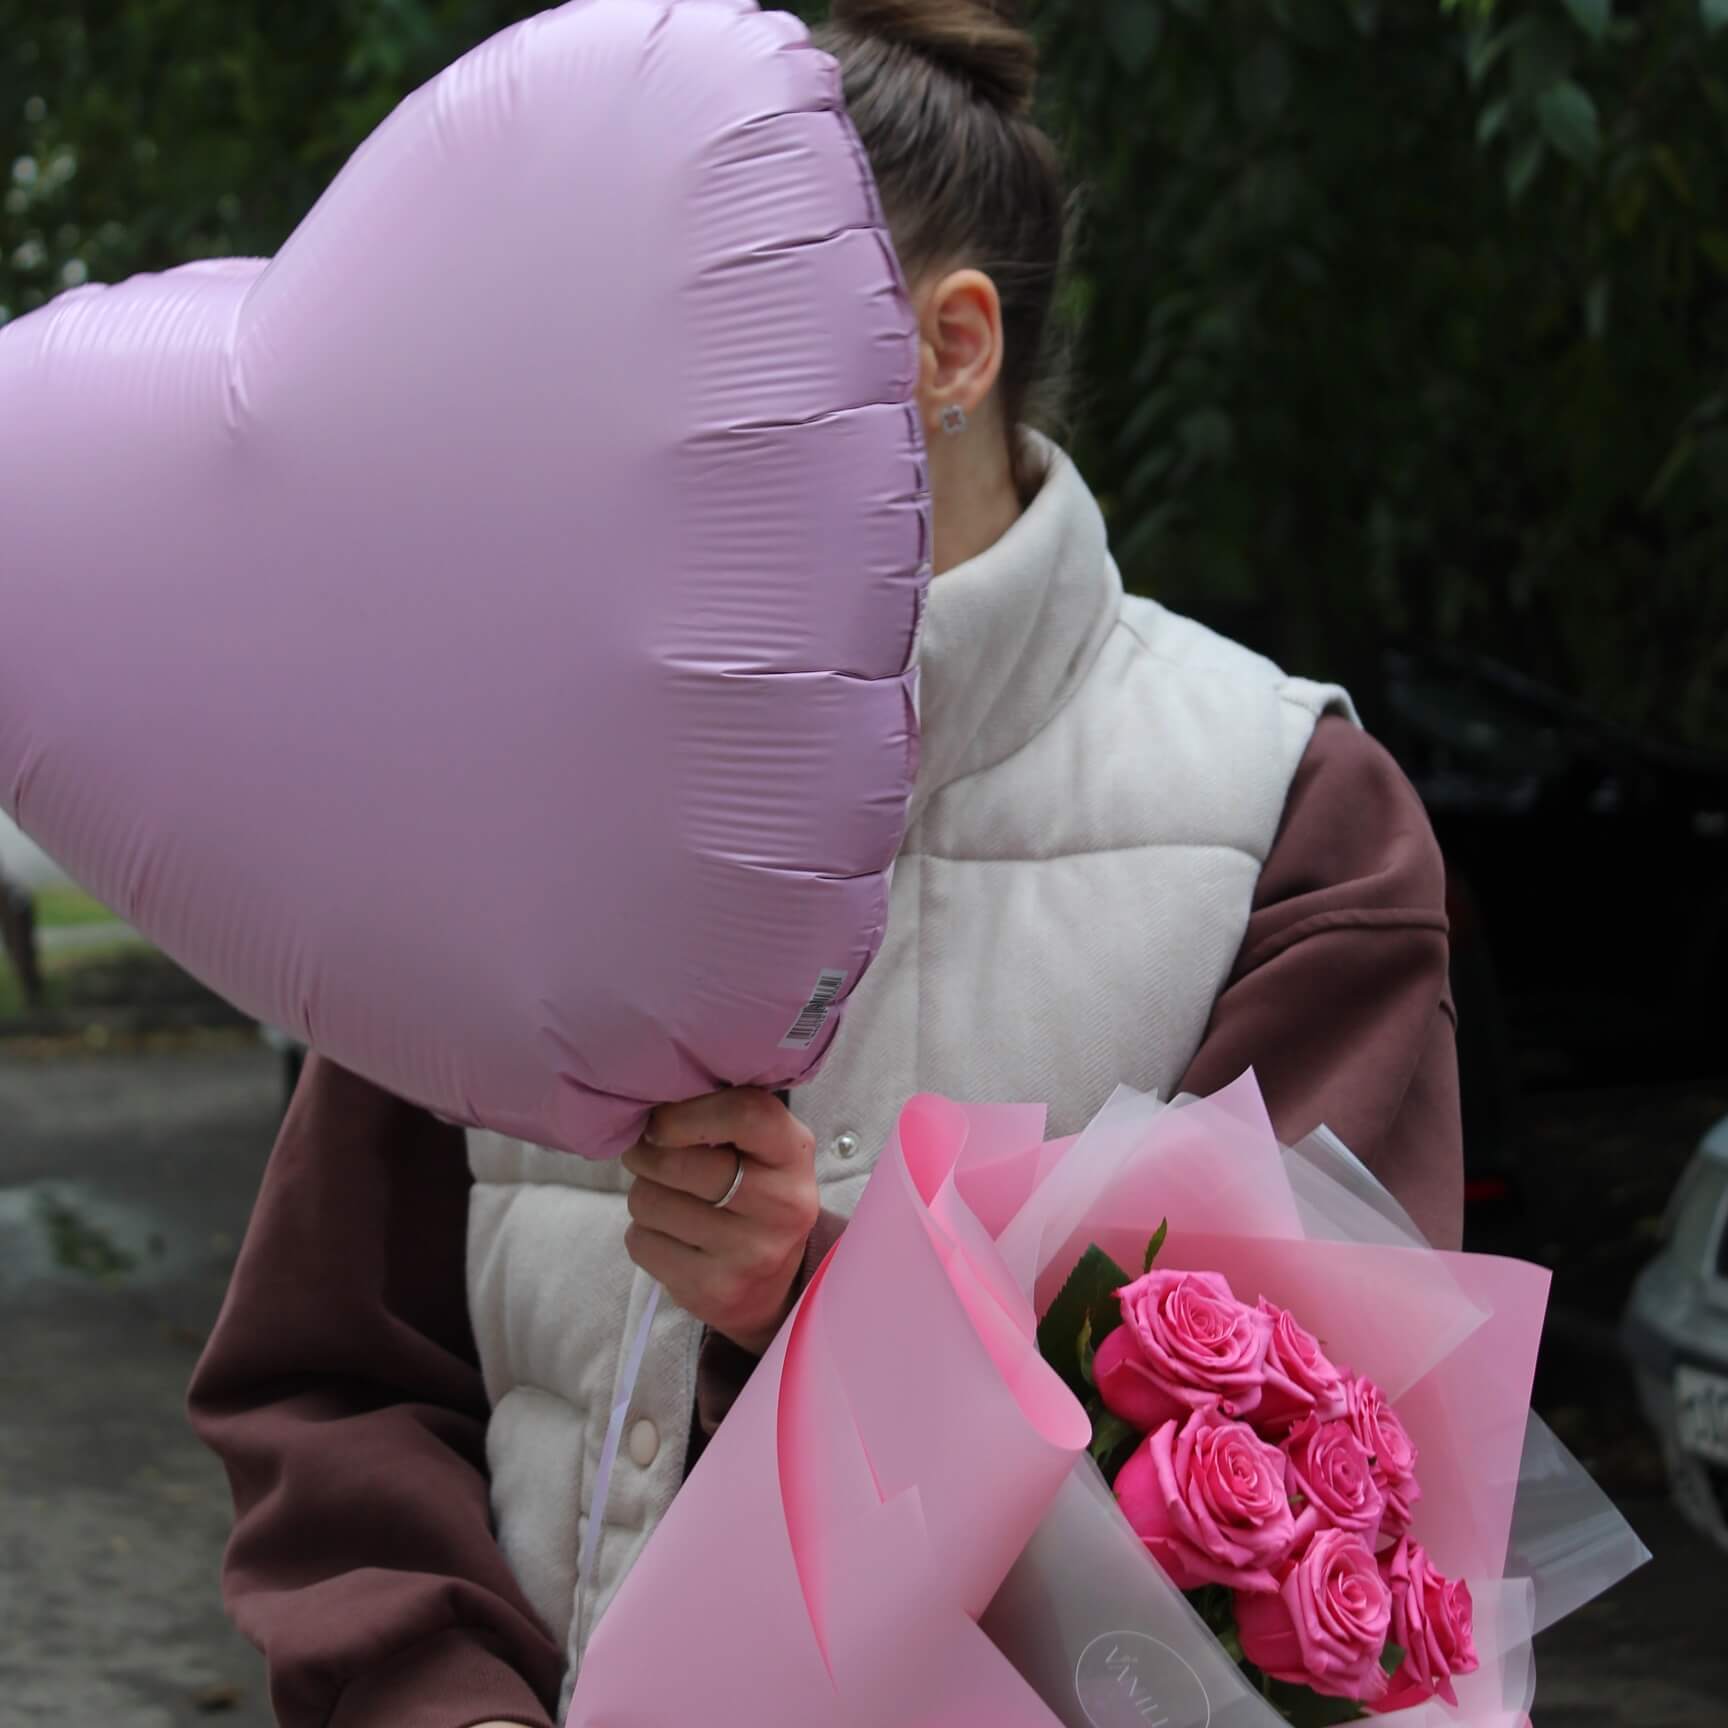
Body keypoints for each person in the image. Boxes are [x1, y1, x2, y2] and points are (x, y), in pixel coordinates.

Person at [190, 4, 1462, 1725]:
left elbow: (1321, 1523)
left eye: (703, 330)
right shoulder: (501, 792)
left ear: (950, 346)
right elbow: (332, 1380)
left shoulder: (1288, 812)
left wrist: (810, 1300)